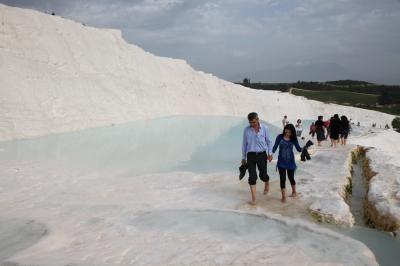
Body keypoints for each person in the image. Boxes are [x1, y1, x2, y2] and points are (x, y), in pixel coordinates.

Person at [241, 112, 273, 205]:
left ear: (258, 119)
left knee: (263, 175)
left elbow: (269, 142)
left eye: (253, 122)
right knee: (252, 177)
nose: (252, 124)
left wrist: (269, 153)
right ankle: (254, 199)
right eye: (250, 122)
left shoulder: (265, 128)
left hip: (262, 154)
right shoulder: (246, 130)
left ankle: (267, 182)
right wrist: (243, 158)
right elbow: (244, 145)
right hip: (250, 155)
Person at [272, 124, 302, 203]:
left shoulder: (294, 139)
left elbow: (298, 149)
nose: (287, 133)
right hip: (281, 162)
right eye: (286, 131)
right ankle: (283, 197)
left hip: (290, 162)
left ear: (292, 132)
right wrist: (270, 154)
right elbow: (275, 147)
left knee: (291, 178)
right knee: (282, 179)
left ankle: (294, 192)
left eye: (289, 132)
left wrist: (304, 148)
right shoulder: (280, 137)